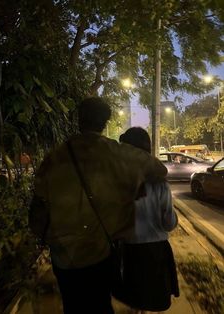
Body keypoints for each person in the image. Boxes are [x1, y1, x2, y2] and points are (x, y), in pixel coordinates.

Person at [29, 97, 167, 314]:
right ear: (105, 122)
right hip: (100, 252)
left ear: (78, 120)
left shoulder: (53, 158)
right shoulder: (117, 153)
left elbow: (38, 208)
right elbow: (159, 170)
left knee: (72, 306)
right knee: (101, 305)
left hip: (63, 255)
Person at [115, 127, 179, 314]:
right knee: (152, 298)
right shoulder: (160, 182)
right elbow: (169, 222)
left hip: (129, 249)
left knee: (133, 296)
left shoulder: (118, 181)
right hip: (156, 250)